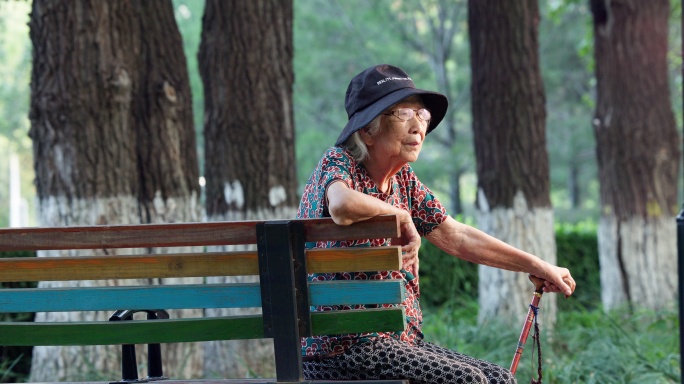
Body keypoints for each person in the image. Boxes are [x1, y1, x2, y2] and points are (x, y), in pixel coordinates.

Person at [297, 64, 576, 384]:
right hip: (340, 348)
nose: (418, 127)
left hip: (396, 343)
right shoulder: (339, 161)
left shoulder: (404, 181)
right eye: (403, 114)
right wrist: (399, 215)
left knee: (498, 378)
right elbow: (342, 205)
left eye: (422, 115)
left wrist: (537, 265)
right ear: (367, 131)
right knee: (470, 380)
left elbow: (456, 235)